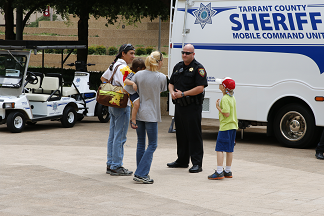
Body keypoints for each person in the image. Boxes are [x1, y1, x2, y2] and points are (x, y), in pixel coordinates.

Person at [167, 44, 208, 173]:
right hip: (179, 106)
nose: (184, 55)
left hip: (192, 107)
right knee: (181, 134)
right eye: (183, 52)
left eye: (188, 53)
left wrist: (183, 94)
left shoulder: (198, 68)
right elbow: (171, 83)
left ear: (193, 54)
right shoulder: (178, 66)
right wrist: (172, 92)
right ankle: (182, 160)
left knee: (194, 135)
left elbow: (200, 88)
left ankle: (197, 163)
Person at [131, 51, 167, 184]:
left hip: (139, 112)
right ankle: (141, 173)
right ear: (159, 62)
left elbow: (129, 88)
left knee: (141, 142)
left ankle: (140, 171)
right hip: (151, 114)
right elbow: (160, 90)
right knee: (152, 144)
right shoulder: (161, 77)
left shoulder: (138, 74)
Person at [101, 44, 135, 176]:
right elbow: (128, 87)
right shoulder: (124, 68)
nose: (133, 56)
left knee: (113, 135)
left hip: (112, 103)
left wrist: (112, 89)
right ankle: (116, 166)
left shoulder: (113, 65)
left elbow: (103, 78)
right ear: (123, 54)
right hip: (122, 105)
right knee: (120, 137)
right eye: (131, 53)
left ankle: (110, 164)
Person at [208, 77, 238, 180]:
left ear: (224, 87)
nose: (219, 85)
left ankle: (219, 171)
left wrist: (218, 107)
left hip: (225, 127)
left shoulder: (225, 99)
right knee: (229, 149)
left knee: (219, 148)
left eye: (221, 84)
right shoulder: (232, 97)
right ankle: (228, 171)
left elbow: (226, 113)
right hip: (233, 126)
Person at [124, 58, 146, 129]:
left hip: (139, 92)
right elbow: (126, 81)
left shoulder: (142, 74)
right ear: (138, 68)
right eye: (143, 68)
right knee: (136, 104)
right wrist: (133, 83)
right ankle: (133, 119)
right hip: (132, 92)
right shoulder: (132, 74)